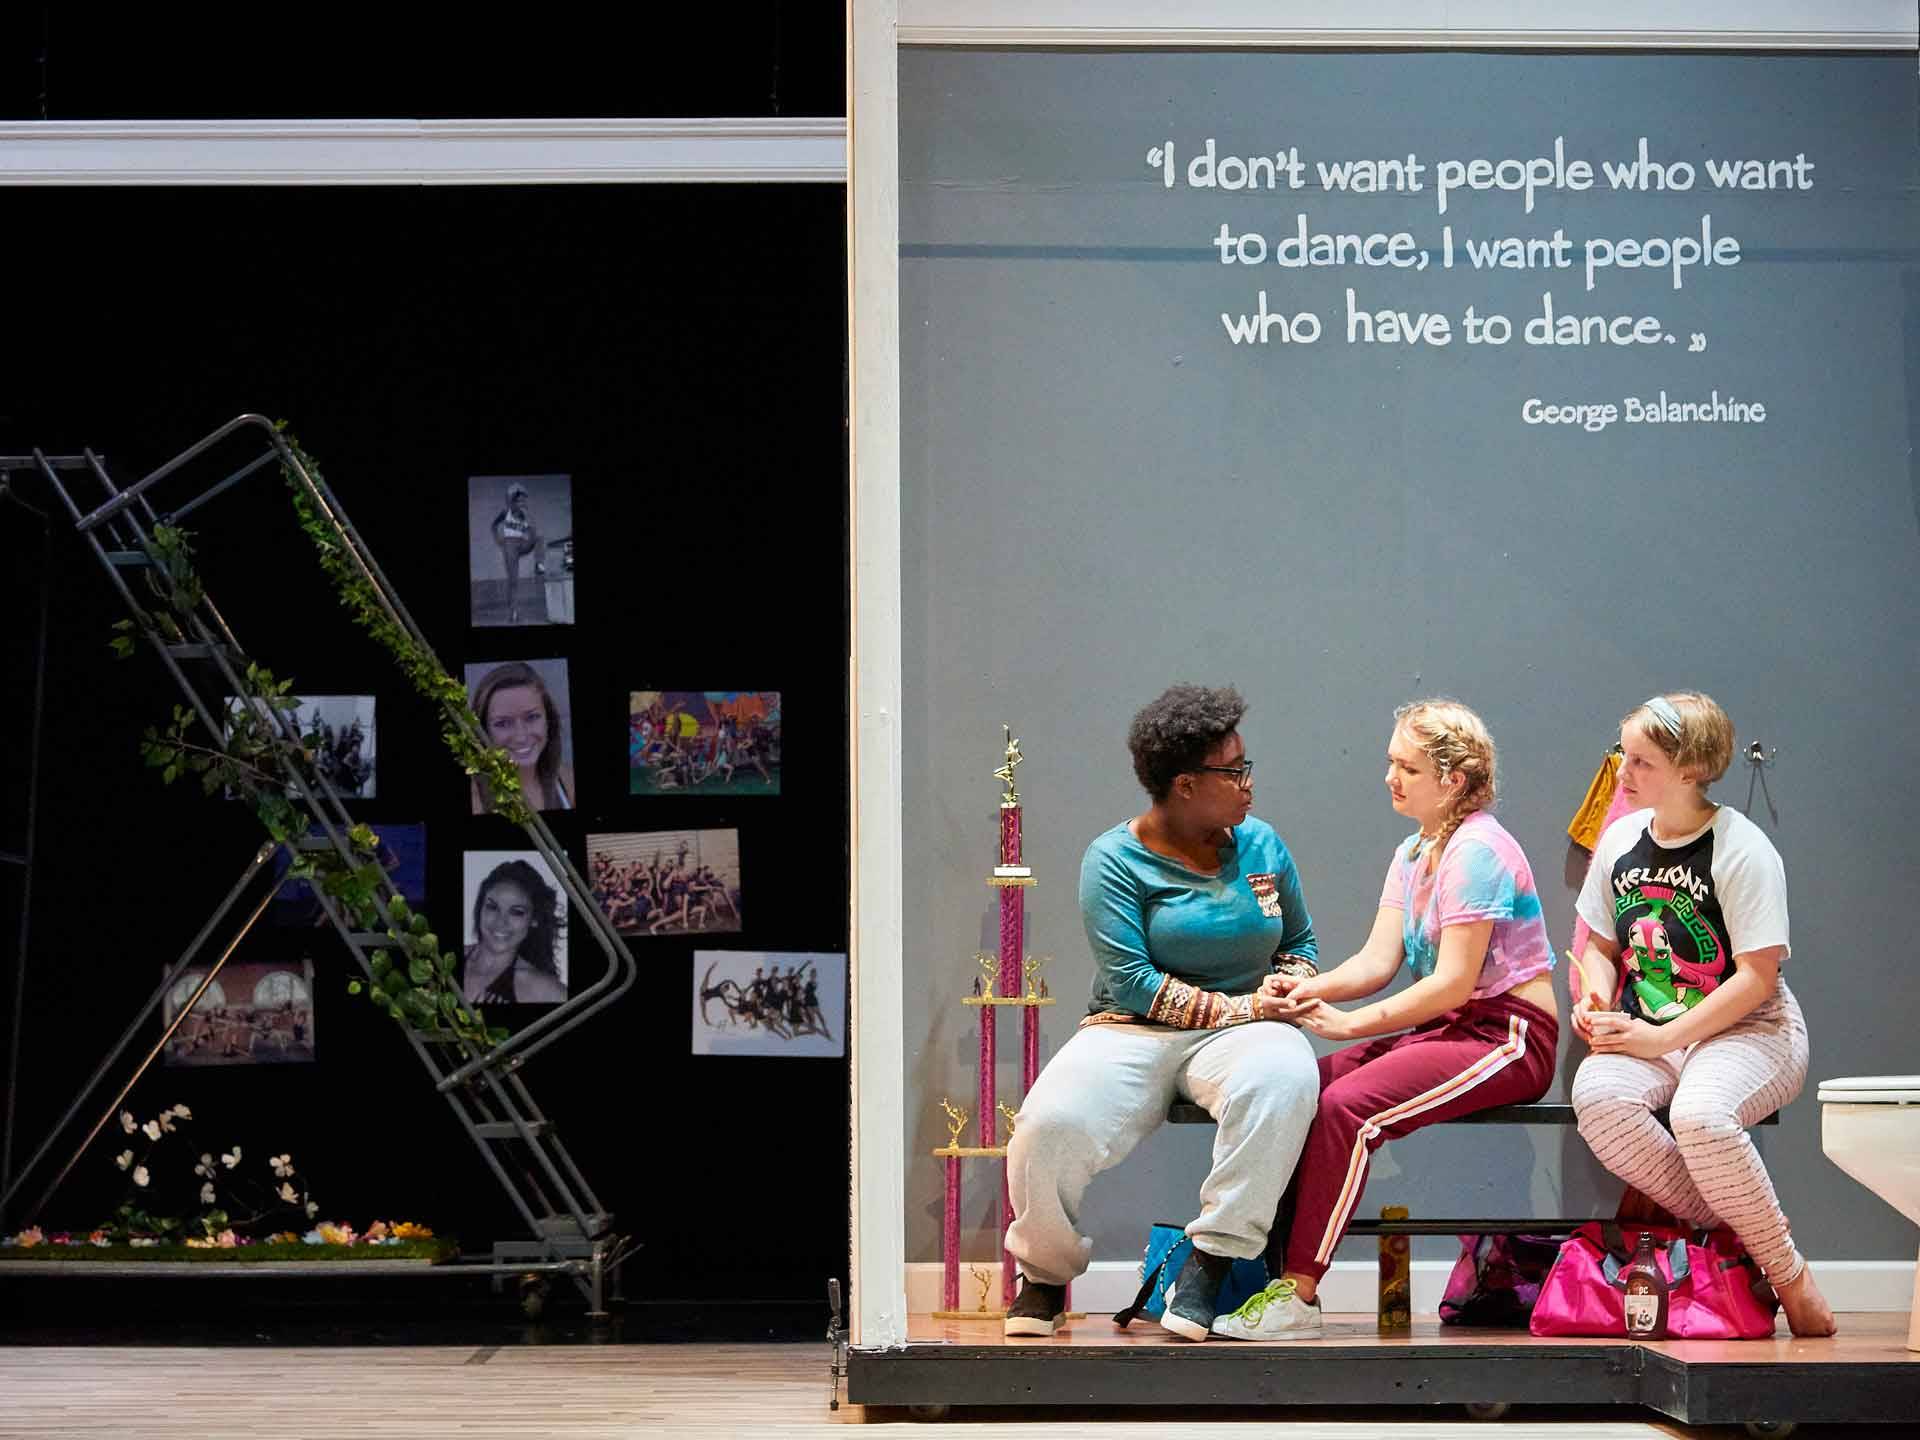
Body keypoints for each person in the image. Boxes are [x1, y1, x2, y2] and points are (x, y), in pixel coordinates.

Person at [1215, 699, 1560, 1340]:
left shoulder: (1478, 850)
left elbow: (1453, 982)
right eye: (1391, 762)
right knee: (1302, 1089)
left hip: (1510, 1035)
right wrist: (1310, 987)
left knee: (1350, 1109)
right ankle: (1257, 1273)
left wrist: (1351, 1024)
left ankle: (1298, 1293)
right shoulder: (1414, 851)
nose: (1390, 777)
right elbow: (1378, 960)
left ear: (1453, 780)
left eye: (1407, 767)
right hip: (1454, 1026)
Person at [1003, 684, 1321, 1342]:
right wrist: (1249, 1005)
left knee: (1286, 1080)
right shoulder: (1113, 860)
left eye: (1247, 766)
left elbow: (1299, 943)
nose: (1249, 784)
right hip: (1133, 1029)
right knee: (1047, 1124)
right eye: (1233, 771)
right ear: (1184, 784)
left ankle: (1212, 1261)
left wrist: (1291, 988)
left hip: (1246, 1033)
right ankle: (1044, 1273)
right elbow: (1135, 984)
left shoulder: (1263, 846)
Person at [1568, 692, 1834, 1337]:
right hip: (1655, 1031)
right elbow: (1600, 946)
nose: (1624, 774)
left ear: (1690, 770)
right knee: (1598, 1101)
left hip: (1753, 1030)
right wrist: (1596, 996)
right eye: (1623, 756)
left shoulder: (1742, 849)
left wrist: (1656, 1038)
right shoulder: (1622, 839)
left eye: (1642, 762)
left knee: (1700, 1115)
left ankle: (1789, 1275)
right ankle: (1746, 1236)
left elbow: (1756, 978)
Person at [470, 662, 576, 814]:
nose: (521, 737)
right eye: (502, 723)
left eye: (532, 717)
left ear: (548, 720)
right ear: (484, 731)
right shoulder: (475, 800)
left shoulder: (567, 781)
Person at [462, 859, 567, 1006]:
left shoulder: (545, 990)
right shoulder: (442, 961)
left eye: (516, 912)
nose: (500, 922)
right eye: (493, 907)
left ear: (534, 919)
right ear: (481, 908)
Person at [491, 482, 544, 625]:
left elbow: (533, 533)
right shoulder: (505, 512)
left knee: (539, 536)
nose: (521, 504)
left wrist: (528, 517)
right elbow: (494, 526)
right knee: (513, 581)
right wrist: (498, 540)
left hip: (522, 543)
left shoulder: (525, 514)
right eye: (519, 501)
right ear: (513, 502)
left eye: (523, 501)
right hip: (509, 545)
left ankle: (539, 564)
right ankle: (513, 612)